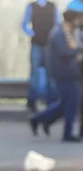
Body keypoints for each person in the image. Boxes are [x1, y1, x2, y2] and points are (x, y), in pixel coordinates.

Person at [30, 9, 82, 142]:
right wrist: (79, 50)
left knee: (67, 103)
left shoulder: (68, 33)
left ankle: (40, 120)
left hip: (69, 73)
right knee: (71, 103)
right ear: (73, 20)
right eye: (79, 19)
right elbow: (64, 52)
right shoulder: (59, 33)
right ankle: (67, 133)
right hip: (62, 73)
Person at [24, 0, 58, 111]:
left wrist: (52, 36)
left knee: (51, 73)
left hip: (49, 44)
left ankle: (51, 101)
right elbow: (24, 24)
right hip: (36, 44)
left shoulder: (53, 6)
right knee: (34, 73)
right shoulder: (31, 6)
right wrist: (32, 33)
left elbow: (57, 24)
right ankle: (32, 101)